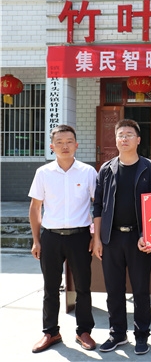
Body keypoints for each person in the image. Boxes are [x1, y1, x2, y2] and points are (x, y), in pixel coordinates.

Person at [92, 119, 151, 355]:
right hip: (112, 239)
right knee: (114, 290)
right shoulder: (106, 169)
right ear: (115, 139)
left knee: (140, 290)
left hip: (139, 239)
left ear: (138, 140)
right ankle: (117, 334)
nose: (124, 138)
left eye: (129, 134)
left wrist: (149, 235)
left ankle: (142, 335)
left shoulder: (150, 168)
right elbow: (98, 206)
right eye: (120, 134)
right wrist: (98, 238)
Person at [28, 125, 97, 353]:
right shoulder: (43, 173)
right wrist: (36, 240)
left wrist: (94, 236)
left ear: (76, 145)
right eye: (59, 142)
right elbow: (35, 207)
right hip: (51, 238)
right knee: (50, 288)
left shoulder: (88, 172)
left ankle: (83, 331)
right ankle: (51, 332)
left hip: (80, 237)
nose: (64, 146)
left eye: (69, 141)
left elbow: (98, 206)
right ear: (52, 146)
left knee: (83, 286)